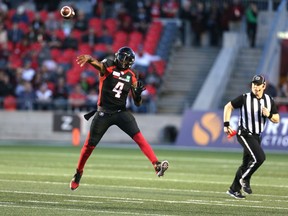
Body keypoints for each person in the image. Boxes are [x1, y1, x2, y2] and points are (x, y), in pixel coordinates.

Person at [70, 46, 169, 190]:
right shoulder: (109, 65)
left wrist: (138, 94)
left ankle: (156, 164)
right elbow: (99, 66)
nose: (126, 62)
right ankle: (78, 173)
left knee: (139, 138)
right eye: (125, 58)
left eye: (129, 60)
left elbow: (137, 102)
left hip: (121, 112)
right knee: (88, 147)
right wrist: (90, 59)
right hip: (103, 112)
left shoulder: (133, 74)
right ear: (119, 57)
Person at [223, 75, 280, 199]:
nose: (255, 86)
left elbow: (276, 118)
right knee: (260, 158)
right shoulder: (245, 98)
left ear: (264, 86)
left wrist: (269, 114)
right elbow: (228, 106)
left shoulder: (269, 100)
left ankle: (234, 189)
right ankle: (245, 179)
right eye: (254, 84)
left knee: (246, 164)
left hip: (256, 136)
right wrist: (226, 124)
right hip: (244, 133)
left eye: (258, 84)